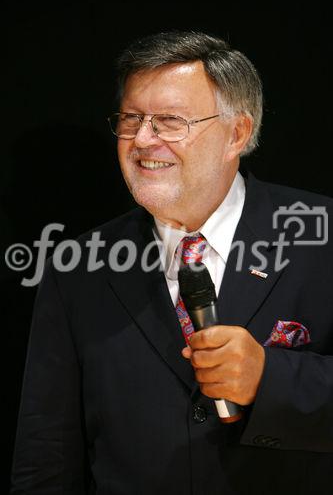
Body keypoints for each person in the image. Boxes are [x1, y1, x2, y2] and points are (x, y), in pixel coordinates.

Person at [10, 31, 333, 495]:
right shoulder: (75, 267)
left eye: (169, 121)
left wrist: (271, 378)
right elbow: (46, 453)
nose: (142, 139)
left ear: (236, 133)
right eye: (131, 118)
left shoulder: (321, 235)